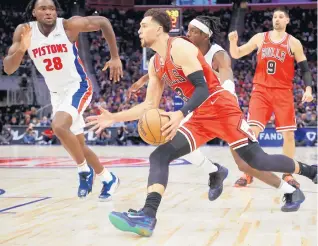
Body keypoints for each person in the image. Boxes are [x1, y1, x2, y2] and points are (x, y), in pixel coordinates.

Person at [86, 9, 317, 237]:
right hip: (200, 115)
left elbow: (203, 88)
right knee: (159, 155)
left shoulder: (180, 47)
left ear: (158, 29)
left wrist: (180, 113)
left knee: (258, 160)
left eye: (143, 26)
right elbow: (148, 107)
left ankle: (309, 170)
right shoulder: (155, 63)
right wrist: (113, 117)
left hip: (222, 107)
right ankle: (148, 215)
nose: (138, 30)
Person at [125, 15, 300, 209]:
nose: (187, 33)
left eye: (192, 31)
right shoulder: (180, 48)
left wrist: (227, 89)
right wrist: (144, 79)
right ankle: (213, 171)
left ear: (204, 35)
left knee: (247, 164)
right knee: (168, 144)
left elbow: (226, 72)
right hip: (197, 110)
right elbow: (165, 65)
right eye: (188, 30)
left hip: (221, 107)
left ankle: (288, 189)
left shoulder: (217, 53)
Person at [3, 0, 121, 200]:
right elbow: (8, 68)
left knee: (58, 126)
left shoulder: (68, 26)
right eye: (43, 8)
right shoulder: (24, 31)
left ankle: (84, 171)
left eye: (51, 8)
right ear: (34, 12)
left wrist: (115, 56)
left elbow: (103, 22)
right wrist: (22, 49)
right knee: (78, 146)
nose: (48, 12)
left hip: (78, 86)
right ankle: (108, 178)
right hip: (56, 93)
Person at [228, 8, 314, 188]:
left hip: (283, 92)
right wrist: (233, 43)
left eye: (281, 17)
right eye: (275, 16)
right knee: (251, 134)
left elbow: (305, 69)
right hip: (261, 91)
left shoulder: (294, 42)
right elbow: (236, 54)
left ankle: (288, 174)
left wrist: (308, 88)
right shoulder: (260, 38)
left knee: (288, 135)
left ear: (287, 20)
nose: (277, 19)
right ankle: (248, 172)